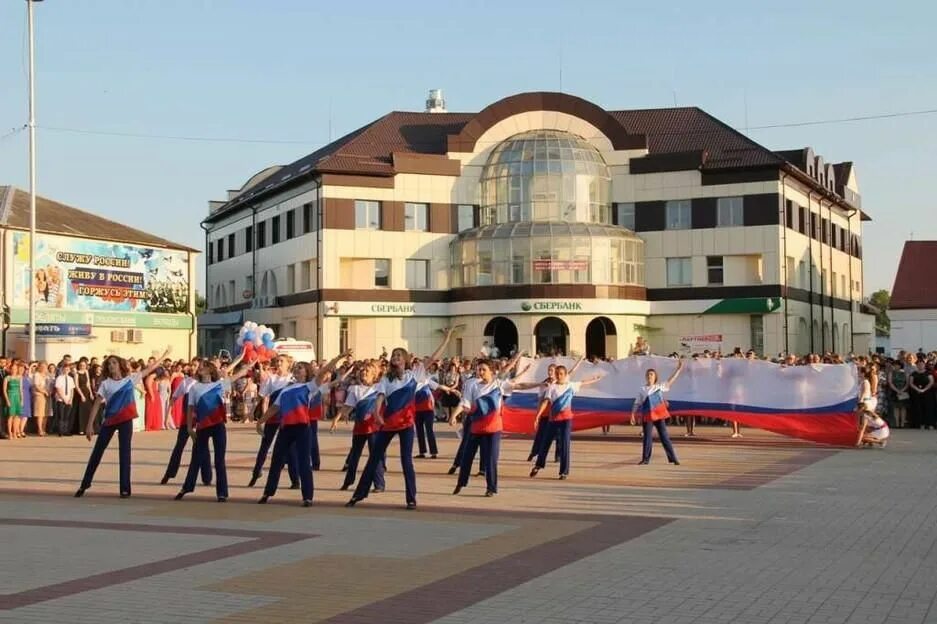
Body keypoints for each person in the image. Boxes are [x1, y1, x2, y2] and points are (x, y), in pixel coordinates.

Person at [346, 328, 455, 510]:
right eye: (393, 355)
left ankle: (411, 499)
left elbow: (434, 357)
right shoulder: (385, 380)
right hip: (388, 424)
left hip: (406, 424)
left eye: (399, 355)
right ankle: (358, 495)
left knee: (406, 461)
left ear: (405, 360)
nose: (395, 357)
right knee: (374, 458)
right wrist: (377, 414)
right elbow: (380, 398)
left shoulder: (415, 374)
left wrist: (447, 338)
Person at [75, 347, 171, 499]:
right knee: (97, 452)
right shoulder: (106, 384)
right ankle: (84, 484)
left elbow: (150, 369)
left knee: (125, 454)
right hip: (110, 420)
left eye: (114, 363)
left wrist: (164, 356)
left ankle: (125, 489)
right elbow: (96, 404)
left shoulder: (130, 379)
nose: (111, 366)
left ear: (120, 365)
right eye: (109, 364)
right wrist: (89, 425)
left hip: (125, 420)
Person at [451, 357, 537, 496]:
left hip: (493, 428)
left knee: (491, 459)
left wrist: (539, 384)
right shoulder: (472, 385)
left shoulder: (498, 384)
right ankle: (461, 483)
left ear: (491, 371)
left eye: (484, 370)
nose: (480, 372)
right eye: (479, 369)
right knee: (467, 456)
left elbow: (519, 385)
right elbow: (464, 403)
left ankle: (491, 488)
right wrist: (454, 415)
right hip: (476, 427)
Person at [174, 355, 246, 502]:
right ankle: (186, 487)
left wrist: (246, 364)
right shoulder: (194, 388)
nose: (200, 368)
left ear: (210, 370)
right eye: (200, 366)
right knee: (196, 458)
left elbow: (238, 375)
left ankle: (222, 493)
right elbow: (190, 408)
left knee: (219, 460)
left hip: (218, 425)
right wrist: (189, 427)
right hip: (202, 426)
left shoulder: (219, 384)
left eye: (203, 366)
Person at [529, 358, 603, 479]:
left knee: (564, 444)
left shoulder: (571, 386)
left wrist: (595, 379)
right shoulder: (551, 387)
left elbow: (583, 382)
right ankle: (539, 465)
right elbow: (546, 401)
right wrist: (538, 415)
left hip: (566, 420)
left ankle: (564, 471)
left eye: (561, 374)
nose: (559, 376)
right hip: (553, 419)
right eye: (557, 373)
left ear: (565, 374)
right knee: (545, 443)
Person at [331, 359, 386, 492]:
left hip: (374, 427)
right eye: (362, 371)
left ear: (374, 374)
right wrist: (336, 419)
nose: (363, 373)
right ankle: (348, 481)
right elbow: (347, 407)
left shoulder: (380, 388)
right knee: (354, 455)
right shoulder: (355, 389)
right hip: (360, 427)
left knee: (375, 455)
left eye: (367, 371)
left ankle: (379, 484)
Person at [249, 357, 299, 489]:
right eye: (277, 361)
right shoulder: (271, 379)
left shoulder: (293, 379)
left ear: (288, 364)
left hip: (287, 416)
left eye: (282, 361)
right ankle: (256, 472)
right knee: (265, 445)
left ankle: (295, 480)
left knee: (290, 448)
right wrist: (252, 410)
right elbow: (261, 395)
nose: (278, 363)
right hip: (273, 415)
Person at [160, 365, 211, 487]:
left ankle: (207, 477)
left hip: (200, 420)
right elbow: (173, 398)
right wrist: (167, 417)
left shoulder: (206, 383)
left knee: (203, 447)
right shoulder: (186, 382)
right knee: (179, 447)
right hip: (186, 420)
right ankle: (169, 473)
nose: (196, 369)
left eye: (199, 367)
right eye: (194, 367)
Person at [630, 359, 685, 465]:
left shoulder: (659, 387)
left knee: (664, 437)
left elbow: (670, 381)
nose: (650, 376)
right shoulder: (642, 389)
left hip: (659, 415)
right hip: (647, 416)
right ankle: (645, 459)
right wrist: (632, 414)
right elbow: (637, 403)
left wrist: (678, 369)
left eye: (651, 374)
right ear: (646, 377)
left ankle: (673, 458)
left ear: (655, 377)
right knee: (647, 437)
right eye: (648, 374)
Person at [414, 356, 439, 459]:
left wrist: (451, 390)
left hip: (428, 408)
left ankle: (433, 452)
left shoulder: (427, 378)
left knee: (429, 430)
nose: (417, 365)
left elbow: (438, 386)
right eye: (415, 364)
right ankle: (422, 451)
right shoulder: (411, 378)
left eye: (418, 363)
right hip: (417, 408)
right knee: (419, 430)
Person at [4, 361, 25, 439]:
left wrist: (22, 400)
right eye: (12, 369)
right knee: (10, 416)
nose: (14, 370)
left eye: (15, 369)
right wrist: (7, 400)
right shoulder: (7, 378)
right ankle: (10, 433)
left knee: (17, 416)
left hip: (17, 398)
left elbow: (21, 390)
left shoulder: (19, 378)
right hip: (10, 396)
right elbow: (4, 390)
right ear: (10, 369)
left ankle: (15, 432)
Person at [54, 364, 76, 436]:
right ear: (62, 369)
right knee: (61, 415)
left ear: (69, 370)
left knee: (67, 416)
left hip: (69, 399)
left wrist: (71, 399)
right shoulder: (59, 378)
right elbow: (58, 389)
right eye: (65, 369)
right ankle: (60, 431)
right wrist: (63, 398)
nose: (66, 371)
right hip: (61, 399)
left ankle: (65, 430)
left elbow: (72, 390)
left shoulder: (71, 379)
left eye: (68, 369)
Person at [74, 359, 93, 437]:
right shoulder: (76, 373)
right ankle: (81, 429)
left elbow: (88, 384)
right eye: (81, 365)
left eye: (84, 365)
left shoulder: (86, 372)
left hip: (87, 392)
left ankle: (87, 428)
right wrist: (81, 395)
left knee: (88, 411)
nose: (82, 366)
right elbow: (76, 386)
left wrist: (91, 393)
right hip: (80, 392)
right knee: (81, 411)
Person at [31, 361, 49, 437]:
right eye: (42, 366)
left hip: (48, 395)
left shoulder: (47, 376)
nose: (43, 368)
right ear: (39, 367)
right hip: (39, 395)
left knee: (46, 413)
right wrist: (44, 391)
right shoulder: (36, 375)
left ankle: (44, 429)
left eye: (45, 367)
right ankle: (40, 429)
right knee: (40, 413)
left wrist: (49, 392)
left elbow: (50, 385)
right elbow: (36, 386)